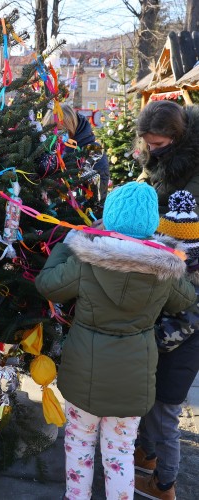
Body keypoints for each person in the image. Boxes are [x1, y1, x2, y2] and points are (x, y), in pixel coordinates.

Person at [34, 182, 196, 500]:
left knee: (79, 446)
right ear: (152, 224)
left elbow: (47, 284)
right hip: (132, 381)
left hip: (83, 374)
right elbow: (186, 300)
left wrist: (68, 245)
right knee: (120, 455)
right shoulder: (165, 268)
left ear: (108, 219)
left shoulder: (85, 259)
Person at [134, 190, 199, 500]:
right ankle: (145, 457)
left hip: (175, 366)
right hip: (163, 364)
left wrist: (143, 338)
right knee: (151, 412)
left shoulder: (191, 287)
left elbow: (175, 332)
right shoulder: (183, 275)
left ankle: (164, 484)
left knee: (164, 422)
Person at [136, 100, 199, 214]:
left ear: (177, 136)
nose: (152, 150)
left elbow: (187, 215)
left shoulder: (195, 162)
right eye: (148, 144)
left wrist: (131, 218)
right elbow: (142, 183)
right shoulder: (156, 154)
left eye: (158, 144)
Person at [42, 103, 110, 201]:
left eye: (60, 131)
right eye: (51, 131)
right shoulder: (49, 151)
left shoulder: (93, 151)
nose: (55, 136)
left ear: (71, 127)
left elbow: (98, 192)